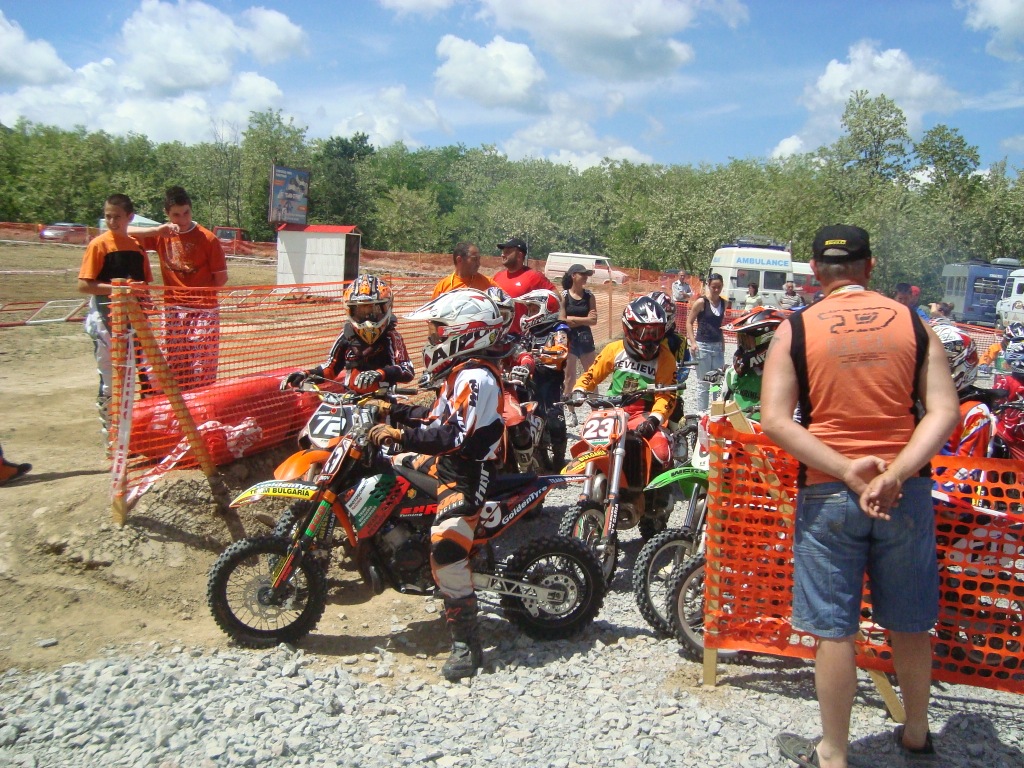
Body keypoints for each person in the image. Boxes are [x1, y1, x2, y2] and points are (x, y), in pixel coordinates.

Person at [762, 225, 959, 768]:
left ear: (814, 271)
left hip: (829, 493)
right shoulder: (915, 324)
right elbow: (944, 410)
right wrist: (895, 473)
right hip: (905, 493)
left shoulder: (795, 329)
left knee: (834, 630)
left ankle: (833, 752)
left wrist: (848, 470)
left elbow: (775, 420)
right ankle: (916, 732)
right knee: (910, 621)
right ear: (869, 267)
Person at [367, 289, 505, 681]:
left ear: (465, 333)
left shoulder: (477, 377)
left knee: (445, 552)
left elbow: (453, 435)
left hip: (468, 472)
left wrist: (400, 434)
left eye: (437, 331)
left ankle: (467, 645)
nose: (431, 338)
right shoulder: (460, 372)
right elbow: (436, 418)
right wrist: (395, 410)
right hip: (446, 463)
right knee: (386, 467)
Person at [569, 296, 677, 480]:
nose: (650, 339)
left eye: (656, 332)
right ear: (629, 329)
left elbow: (666, 396)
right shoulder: (614, 349)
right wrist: (579, 390)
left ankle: (659, 492)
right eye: (644, 333)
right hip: (611, 410)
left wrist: (654, 419)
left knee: (662, 451)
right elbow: (592, 375)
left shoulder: (666, 358)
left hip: (643, 413)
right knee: (589, 444)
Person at [133, 187, 227, 391]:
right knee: (175, 363)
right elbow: (121, 232)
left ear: (191, 210)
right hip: (173, 308)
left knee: (202, 365)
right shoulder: (160, 235)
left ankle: (203, 401)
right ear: (167, 214)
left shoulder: (208, 239)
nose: (182, 219)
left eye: (186, 213)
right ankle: (180, 403)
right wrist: (155, 231)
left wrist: (198, 296)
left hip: (203, 309)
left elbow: (221, 278)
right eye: (176, 215)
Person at [78, 193, 153, 436]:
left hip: (136, 324)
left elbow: (145, 285)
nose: (112, 221)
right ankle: (112, 433)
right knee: (111, 379)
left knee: (145, 374)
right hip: (106, 321)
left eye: (117, 217)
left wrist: (146, 300)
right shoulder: (99, 245)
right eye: (108, 216)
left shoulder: (137, 248)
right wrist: (119, 288)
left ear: (129, 217)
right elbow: (84, 285)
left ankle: (145, 431)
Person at [279, 275, 415, 393]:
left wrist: (380, 373)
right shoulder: (347, 336)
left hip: (384, 401)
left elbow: (407, 370)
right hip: (350, 400)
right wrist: (306, 374)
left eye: (373, 310)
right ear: (350, 310)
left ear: (387, 308)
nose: (367, 317)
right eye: (360, 311)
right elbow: (330, 368)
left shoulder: (391, 336)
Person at [517, 288, 571, 469]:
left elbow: (562, 351)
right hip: (532, 379)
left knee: (555, 417)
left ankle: (559, 455)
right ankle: (535, 453)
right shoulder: (530, 331)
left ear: (547, 309)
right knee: (529, 414)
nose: (529, 313)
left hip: (551, 380)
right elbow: (520, 349)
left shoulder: (559, 330)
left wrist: (542, 353)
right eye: (529, 310)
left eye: (533, 309)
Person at [722, 306, 789, 422]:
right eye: (741, 342)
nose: (742, 349)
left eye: (746, 342)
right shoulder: (732, 373)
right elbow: (719, 410)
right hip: (736, 429)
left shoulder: (787, 378)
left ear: (767, 341)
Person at [491, 237, 558, 333]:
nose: (502, 254)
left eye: (507, 252)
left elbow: (556, 299)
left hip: (521, 337)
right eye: (503, 251)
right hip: (498, 336)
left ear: (519, 255)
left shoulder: (534, 276)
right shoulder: (498, 276)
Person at [561, 264, 598, 426]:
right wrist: (584, 320)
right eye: (582, 274)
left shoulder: (589, 296)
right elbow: (562, 320)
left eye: (586, 275)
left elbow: (594, 320)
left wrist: (573, 320)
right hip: (569, 339)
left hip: (585, 338)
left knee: (592, 375)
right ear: (573, 275)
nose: (585, 277)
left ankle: (596, 412)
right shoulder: (564, 296)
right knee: (569, 378)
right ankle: (571, 413)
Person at [648, 290, 690, 428]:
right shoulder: (640, 337)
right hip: (643, 389)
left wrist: (673, 377)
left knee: (676, 426)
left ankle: (679, 438)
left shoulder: (679, 341)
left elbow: (685, 368)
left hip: (669, 390)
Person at [685, 272, 727, 412]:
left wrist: (723, 342)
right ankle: (701, 415)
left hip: (717, 346)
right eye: (714, 286)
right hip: (702, 346)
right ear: (708, 285)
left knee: (717, 382)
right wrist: (693, 342)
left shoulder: (724, 303)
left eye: (719, 287)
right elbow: (689, 322)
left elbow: (720, 325)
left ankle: (715, 413)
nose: (716, 289)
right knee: (704, 383)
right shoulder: (701, 302)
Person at [431, 242, 496, 299]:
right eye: (474, 259)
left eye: (479, 259)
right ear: (459, 260)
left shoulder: (488, 284)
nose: (478, 264)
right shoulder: (442, 287)